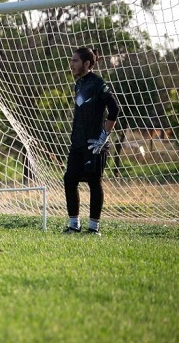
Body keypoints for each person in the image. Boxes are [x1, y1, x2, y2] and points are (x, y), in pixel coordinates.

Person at [63, 47, 120, 236]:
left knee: (94, 182)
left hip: (95, 144)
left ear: (87, 63)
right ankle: (74, 225)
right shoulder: (78, 84)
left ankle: (94, 228)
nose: (72, 64)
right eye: (72, 61)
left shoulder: (98, 84)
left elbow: (114, 109)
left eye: (75, 61)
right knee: (69, 179)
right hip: (77, 144)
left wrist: (103, 138)